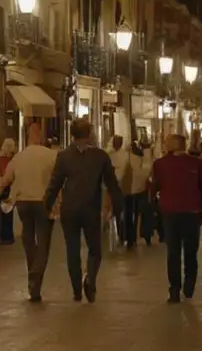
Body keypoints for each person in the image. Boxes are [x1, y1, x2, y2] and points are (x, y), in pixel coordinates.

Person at [43, 119, 125, 303]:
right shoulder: (100, 156)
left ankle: (76, 290)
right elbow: (112, 183)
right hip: (90, 208)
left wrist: (46, 205)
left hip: (69, 209)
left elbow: (55, 183)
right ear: (89, 134)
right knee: (95, 248)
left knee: (72, 249)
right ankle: (90, 279)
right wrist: (118, 206)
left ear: (72, 134)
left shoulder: (64, 156)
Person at [0, 123, 58, 301]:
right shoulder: (51, 156)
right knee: (43, 242)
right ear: (41, 136)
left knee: (27, 239)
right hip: (44, 202)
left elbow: (5, 179)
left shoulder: (18, 158)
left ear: (28, 137)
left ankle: (33, 282)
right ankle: (35, 275)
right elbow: (59, 180)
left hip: (23, 203)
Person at [149, 135, 202, 303]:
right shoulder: (195, 163)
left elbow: (154, 187)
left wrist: (155, 205)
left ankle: (175, 289)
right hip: (190, 212)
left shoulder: (161, 164)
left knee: (173, 252)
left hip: (171, 212)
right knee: (190, 251)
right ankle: (188, 285)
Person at [106, 136, 133, 248]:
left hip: (122, 187)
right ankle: (121, 233)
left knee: (122, 211)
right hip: (112, 186)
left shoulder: (125, 155)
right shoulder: (109, 154)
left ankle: (124, 235)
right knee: (117, 211)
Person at [122, 141, 149, 249]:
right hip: (139, 191)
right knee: (137, 214)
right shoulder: (142, 161)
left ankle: (129, 238)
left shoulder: (126, 160)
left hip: (128, 191)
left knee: (128, 214)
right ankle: (134, 237)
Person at [0, 139, 18, 244]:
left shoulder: (0, 159)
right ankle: (6, 236)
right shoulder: (5, 160)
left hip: (4, 187)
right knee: (7, 213)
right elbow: (5, 174)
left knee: (6, 213)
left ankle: (6, 236)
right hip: (5, 188)